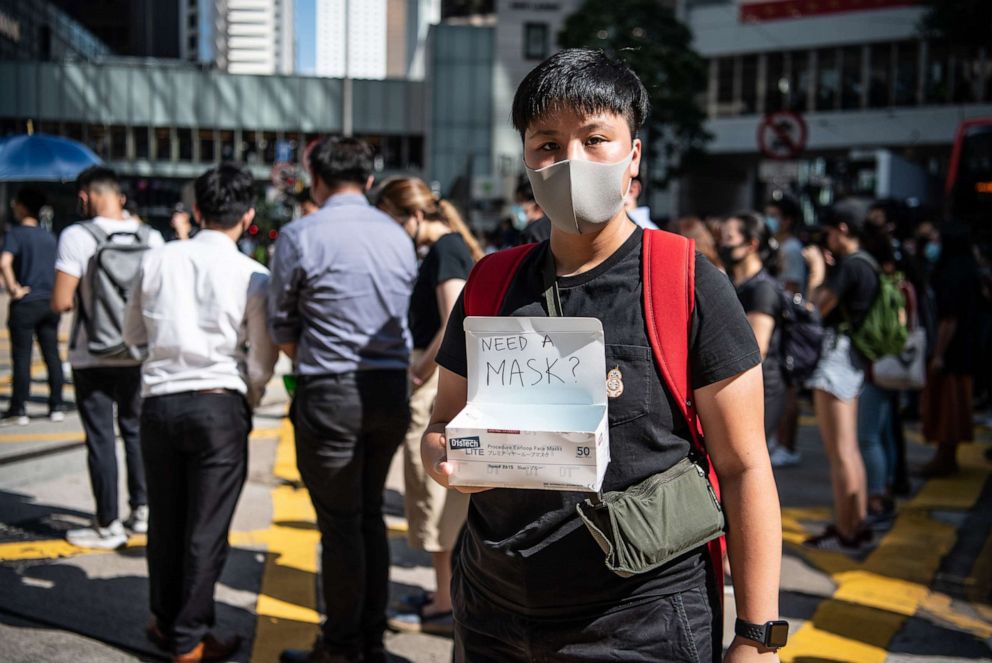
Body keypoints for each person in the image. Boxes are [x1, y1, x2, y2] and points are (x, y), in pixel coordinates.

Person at [422, 49, 783, 662]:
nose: (569, 162)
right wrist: (445, 458)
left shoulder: (687, 281)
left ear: (633, 155)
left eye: (595, 139)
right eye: (546, 144)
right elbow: (442, 424)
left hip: (641, 620)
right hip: (492, 612)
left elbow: (746, 467)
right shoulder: (490, 282)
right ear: (527, 159)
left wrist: (757, 636)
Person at [269, 137, 417, 663]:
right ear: (370, 181)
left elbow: (281, 320)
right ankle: (370, 639)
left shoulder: (300, 234)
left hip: (330, 389)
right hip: (389, 389)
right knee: (369, 514)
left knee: (339, 523)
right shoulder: (398, 235)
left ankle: (340, 646)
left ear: (316, 180)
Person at [123, 163, 278, 663]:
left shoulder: (157, 258)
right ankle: (188, 638)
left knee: (165, 520)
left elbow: (133, 335)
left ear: (195, 210)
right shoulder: (253, 273)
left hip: (160, 401)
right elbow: (261, 358)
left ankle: (164, 619)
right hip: (218, 402)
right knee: (206, 530)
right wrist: (249, 395)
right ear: (248, 215)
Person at [375, 177, 482, 636]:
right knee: (436, 497)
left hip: (436, 383)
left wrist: (420, 370)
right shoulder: (450, 247)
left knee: (436, 497)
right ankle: (445, 595)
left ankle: (444, 605)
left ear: (414, 216)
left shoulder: (444, 251)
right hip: (439, 380)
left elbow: (453, 320)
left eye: (391, 220)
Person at [52, 166, 165, 549]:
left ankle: (108, 523)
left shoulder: (76, 236)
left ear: (86, 196)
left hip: (92, 354)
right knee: (135, 431)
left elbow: (62, 301)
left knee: (101, 438)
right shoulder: (153, 238)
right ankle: (143, 510)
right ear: (119, 196)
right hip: (138, 354)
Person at [804, 199, 878, 551]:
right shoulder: (868, 264)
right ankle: (856, 522)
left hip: (836, 358)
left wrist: (817, 274)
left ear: (843, 230)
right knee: (850, 450)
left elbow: (815, 308)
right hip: (853, 359)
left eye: (830, 232)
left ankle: (847, 530)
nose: (826, 239)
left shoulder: (848, 267)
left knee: (840, 451)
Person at [719, 213, 788, 467]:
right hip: (742, 386)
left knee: (748, 464)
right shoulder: (737, 282)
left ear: (751, 245)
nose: (723, 245)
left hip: (761, 390)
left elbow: (757, 349)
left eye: (729, 239)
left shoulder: (762, 290)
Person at [920, 224, 980, 477]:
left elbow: (949, 319)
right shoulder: (969, 269)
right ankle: (946, 456)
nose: (933, 244)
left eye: (938, 239)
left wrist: (939, 353)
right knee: (954, 408)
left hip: (952, 355)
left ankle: (944, 458)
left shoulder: (951, 273)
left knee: (948, 409)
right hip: (965, 350)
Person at [0, 187, 64, 425]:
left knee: (22, 357)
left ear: (23, 207)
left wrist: (13, 288)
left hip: (25, 303)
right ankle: (56, 405)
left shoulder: (15, 234)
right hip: (49, 301)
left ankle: (20, 408)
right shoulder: (50, 236)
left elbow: (4, 262)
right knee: (52, 355)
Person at [513, 177, 551, 245]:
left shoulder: (531, 233)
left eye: (521, 200)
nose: (518, 206)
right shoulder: (557, 227)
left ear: (537, 204)